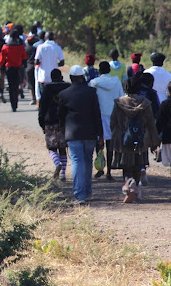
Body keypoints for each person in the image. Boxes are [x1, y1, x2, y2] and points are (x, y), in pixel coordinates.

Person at [58, 65, 103, 204]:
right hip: (90, 133)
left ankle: (79, 195)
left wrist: (62, 133)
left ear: (71, 78)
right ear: (82, 77)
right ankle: (88, 191)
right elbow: (97, 114)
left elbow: (60, 117)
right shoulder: (91, 92)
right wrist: (100, 134)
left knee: (77, 161)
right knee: (88, 161)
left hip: (73, 134)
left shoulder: (64, 94)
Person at [110, 77, 160, 202]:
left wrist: (116, 135)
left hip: (124, 140)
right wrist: (155, 142)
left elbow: (113, 122)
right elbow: (151, 124)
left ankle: (128, 183)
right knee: (138, 165)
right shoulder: (146, 103)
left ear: (125, 88)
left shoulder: (119, 103)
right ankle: (136, 187)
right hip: (141, 140)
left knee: (126, 166)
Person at [89, 61, 125, 181]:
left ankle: (100, 168)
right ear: (109, 70)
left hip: (98, 115)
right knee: (110, 145)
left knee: (99, 143)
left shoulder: (94, 83)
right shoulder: (117, 82)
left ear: (99, 71)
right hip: (113, 115)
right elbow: (121, 98)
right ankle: (109, 171)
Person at [38, 69, 70, 180]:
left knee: (51, 147)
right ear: (61, 76)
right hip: (64, 122)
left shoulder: (47, 88)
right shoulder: (67, 87)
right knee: (62, 148)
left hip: (50, 121)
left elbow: (42, 107)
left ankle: (57, 164)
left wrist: (41, 123)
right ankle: (62, 174)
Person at [0, 29, 27, 112]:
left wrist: (0, 67)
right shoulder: (20, 46)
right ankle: (16, 102)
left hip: (9, 69)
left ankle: (13, 104)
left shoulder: (6, 46)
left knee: (11, 86)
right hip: (18, 68)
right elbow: (24, 57)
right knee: (16, 85)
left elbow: (2, 59)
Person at [35, 32, 65, 105]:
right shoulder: (57, 47)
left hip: (43, 77)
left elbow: (36, 61)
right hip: (54, 77)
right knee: (53, 98)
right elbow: (62, 62)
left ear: (45, 38)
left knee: (44, 97)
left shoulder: (41, 47)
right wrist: (54, 64)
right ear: (53, 38)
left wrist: (43, 63)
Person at [156, 82, 171, 167]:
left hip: (167, 135)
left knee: (168, 160)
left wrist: (156, 135)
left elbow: (160, 121)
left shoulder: (165, 104)